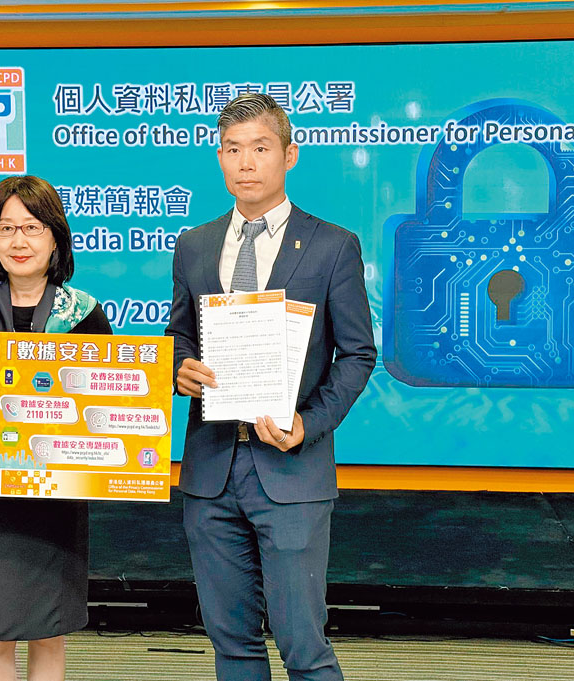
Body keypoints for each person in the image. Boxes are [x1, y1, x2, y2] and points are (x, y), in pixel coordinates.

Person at [165, 94, 376, 681]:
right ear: (219, 157)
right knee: (231, 644)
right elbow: (180, 334)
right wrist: (180, 367)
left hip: (291, 471)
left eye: (260, 148)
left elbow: (358, 353)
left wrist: (310, 423)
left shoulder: (332, 246)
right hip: (210, 470)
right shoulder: (195, 244)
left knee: (303, 647)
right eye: (233, 149)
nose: (246, 162)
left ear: (289, 154)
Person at [0, 175, 111, 681]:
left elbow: (107, 409)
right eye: (6, 228)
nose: (19, 241)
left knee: (48, 635)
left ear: (55, 237)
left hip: (54, 497)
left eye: (33, 227)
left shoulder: (83, 315)